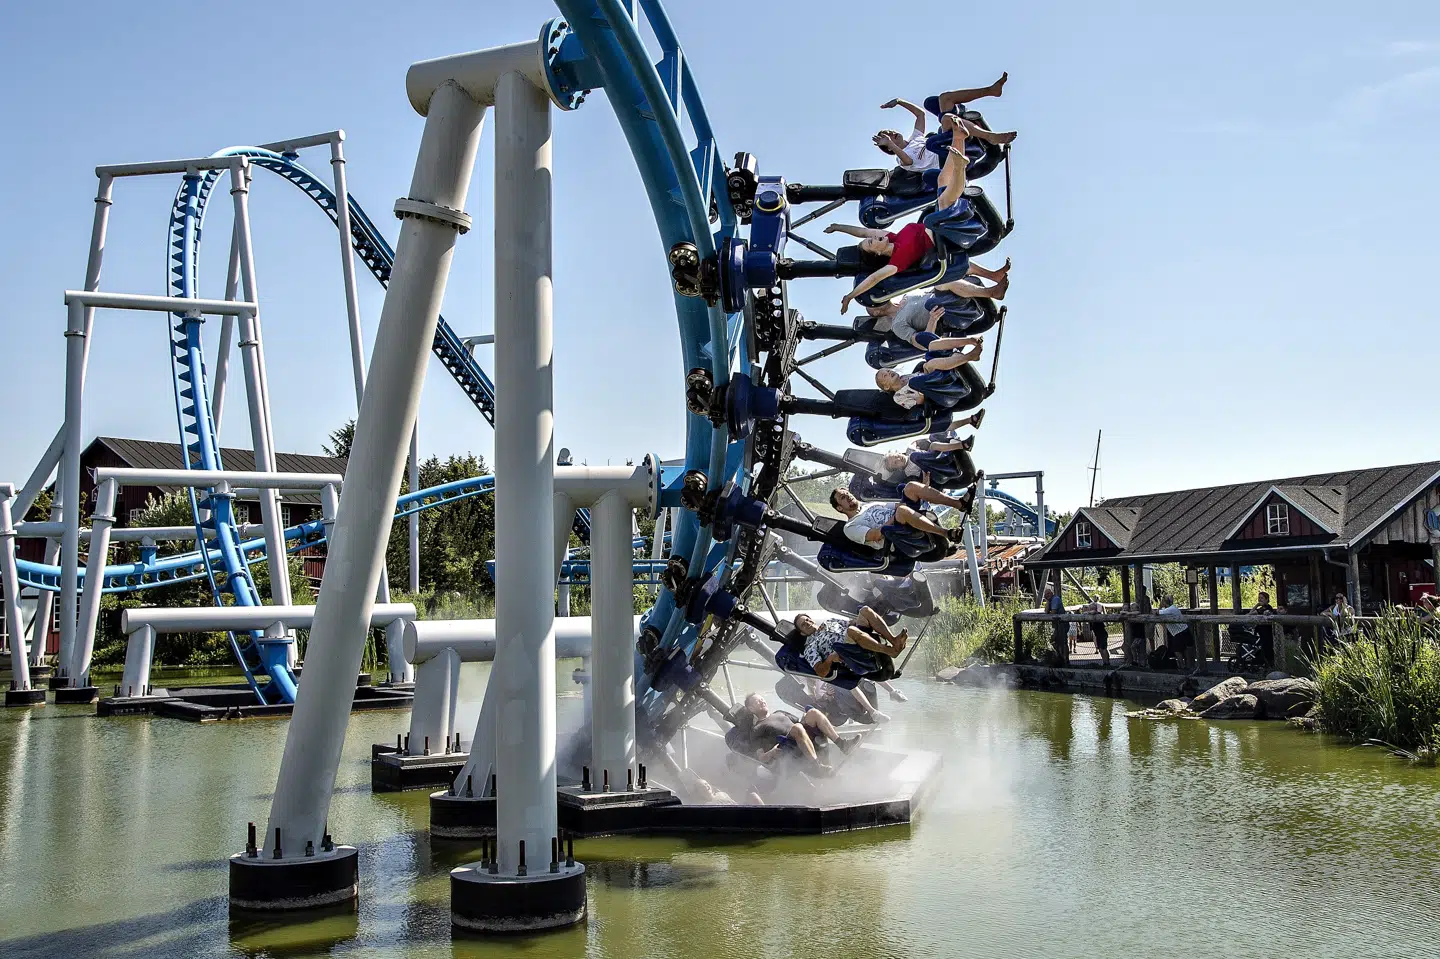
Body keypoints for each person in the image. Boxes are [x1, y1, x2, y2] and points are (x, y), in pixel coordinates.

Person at [828, 116, 1017, 315]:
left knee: (943, 178)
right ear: (876, 253)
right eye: (870, 243)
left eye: (869, 239)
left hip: (938, 224)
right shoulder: (895, 263)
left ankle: (959, 138)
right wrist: (850, 296)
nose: (871, 238)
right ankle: (960, 164)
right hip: (941, 236)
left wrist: (837, 227)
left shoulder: (892, 237)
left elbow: (861, 230)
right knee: (944, 199)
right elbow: (873, 279)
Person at [862, 261, 1010, 347]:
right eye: (873, 304)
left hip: (950, 296)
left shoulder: (906, 297)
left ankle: (994, 275)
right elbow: (921, 343)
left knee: (952, 267)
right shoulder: (897, 325)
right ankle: (991, 293)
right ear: (876, 313)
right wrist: (932, 320)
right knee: (940, 287)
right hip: (948, 314)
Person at [729, 692, 859, 770]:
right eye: (757, 701)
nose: (762, 701)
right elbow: (761, 757)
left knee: (812, 712)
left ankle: (842, 744)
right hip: (790, 745)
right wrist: (772, 752)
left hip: (803, 734)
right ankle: (816, 766)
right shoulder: (757, 729)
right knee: (797, 728)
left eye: (762, 698)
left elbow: (799, 721)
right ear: (751, 709)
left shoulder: (779, 712)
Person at [829, 487, 967, 550]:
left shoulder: (870, 505)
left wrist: (923, 491)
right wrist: (897, 515)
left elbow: (901, 504)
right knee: (901, 511)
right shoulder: (850, 527)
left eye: (847, 493)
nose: (848, 496)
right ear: (840, 508)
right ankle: (947, 533)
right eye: (843, 497)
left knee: (910, 487)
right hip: (896, 537)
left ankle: (959, 503)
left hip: (904, 517)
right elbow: (876, 535)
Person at [793, 608, 909, 681]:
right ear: (802, 633)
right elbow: (820, 672)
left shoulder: (828, 622)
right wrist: (830, 659)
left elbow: (851, 623)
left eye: (807, 620)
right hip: (849, 653)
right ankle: (890, 651)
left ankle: (894, 641)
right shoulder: (810, 647)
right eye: (803, 625)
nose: (807, 623)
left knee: (865, 611)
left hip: (857, 636)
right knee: (851, 631)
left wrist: (868, 620)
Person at [1157, 595, 1195, 669]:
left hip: (1180, 632)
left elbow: (1157, 612)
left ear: (1164, 602)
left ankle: (1183, 666)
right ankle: (1187, 666)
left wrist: (1160, 606)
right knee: (1184, 650)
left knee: (1177, 651)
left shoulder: (1170, 609)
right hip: (1181, 631)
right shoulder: (1170, 609)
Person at [1251, 590, 1277, 669]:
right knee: (1265, 648)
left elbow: (1251, 613)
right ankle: (1267, 664)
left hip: (1266, 632)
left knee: (1267, 648)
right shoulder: (1261, 608)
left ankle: (1269, 665)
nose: (1260, 599)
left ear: (1267, 599)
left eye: (1262, 598)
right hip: (1262, 632)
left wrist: (1257, 606)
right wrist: (1257, 604)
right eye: (1259, 598)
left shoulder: (1267, 608)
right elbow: (1251, 612)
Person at [1043, 585, 1068, 666]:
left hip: (1062, 623)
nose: (1047, 595)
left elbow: (1053, 613)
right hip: (1056, 624)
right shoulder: (1050, 601)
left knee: (1063, 642)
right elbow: (1046, 612)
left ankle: (1065, 660)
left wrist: (1049, 613)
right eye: (1046, 594)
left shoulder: (1056, 599)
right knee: (1054, 640)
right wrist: (1047, 601)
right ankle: (1059, 657)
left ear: (1052, 593)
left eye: (1048, 594)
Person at [1089, 599, 1111, 667]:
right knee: (1100, 649)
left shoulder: (1098, 614)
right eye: (1090, 608)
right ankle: (1104, 662)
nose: (1091, 609)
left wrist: (1090, 612)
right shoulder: (1089, 617)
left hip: (1102, 634)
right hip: (1097, 635)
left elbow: (1093, 612)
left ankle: (1107, 662)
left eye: (1092, 607)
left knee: (1104, 648)